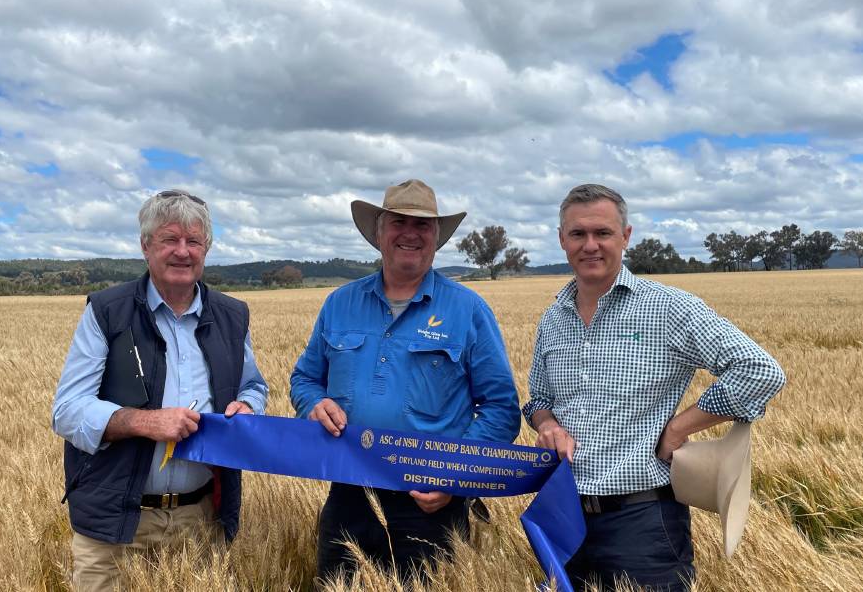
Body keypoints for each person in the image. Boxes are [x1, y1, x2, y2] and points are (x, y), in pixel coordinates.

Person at [524, 184, 786, 592]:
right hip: (563, 513)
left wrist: (680, 428)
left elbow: (759, 370)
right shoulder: (553, 318)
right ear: (562, 240)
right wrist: (546, 425)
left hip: (643, 521)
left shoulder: (668, 308)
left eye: (603, 233)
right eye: (578, 234)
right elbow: (538, 400)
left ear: (626, 237)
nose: (590, 245)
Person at [290, 178, 520, 582]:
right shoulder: (339, 303)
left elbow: (501, 409)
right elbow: (305, 378)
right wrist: (313, 403)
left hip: (432, 503)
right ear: (379, 231)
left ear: (437, 237)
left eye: (423, 225)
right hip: (349, 496)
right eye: (399, 222)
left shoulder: (468, 310)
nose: (410, 233)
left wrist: (456, 473)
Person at [52, 189, 269, 591]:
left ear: (207, 249)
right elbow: (66, 411)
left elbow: (252, 385)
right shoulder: (106, 311)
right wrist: (143, 422)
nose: (182, 252)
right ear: (146, 246)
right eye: (170, 239)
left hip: (200, 519)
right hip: (116, 524)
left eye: (194, 241)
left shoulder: (232, 316)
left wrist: (248, 406)